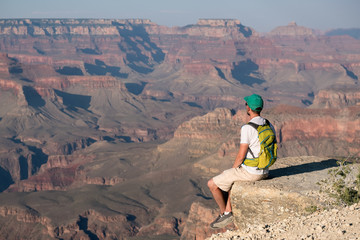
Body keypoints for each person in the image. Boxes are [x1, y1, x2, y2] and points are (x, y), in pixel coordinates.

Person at [207, 94, 275, 229]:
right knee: (233, 179)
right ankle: (228, 209)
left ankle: (224, 214)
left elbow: (240, 156)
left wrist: (233, 170)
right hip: (265, 170)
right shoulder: (268, 123)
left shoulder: (248, 128)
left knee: (212, 184)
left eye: (246, 104)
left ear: (248, 108)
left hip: (252, 172)